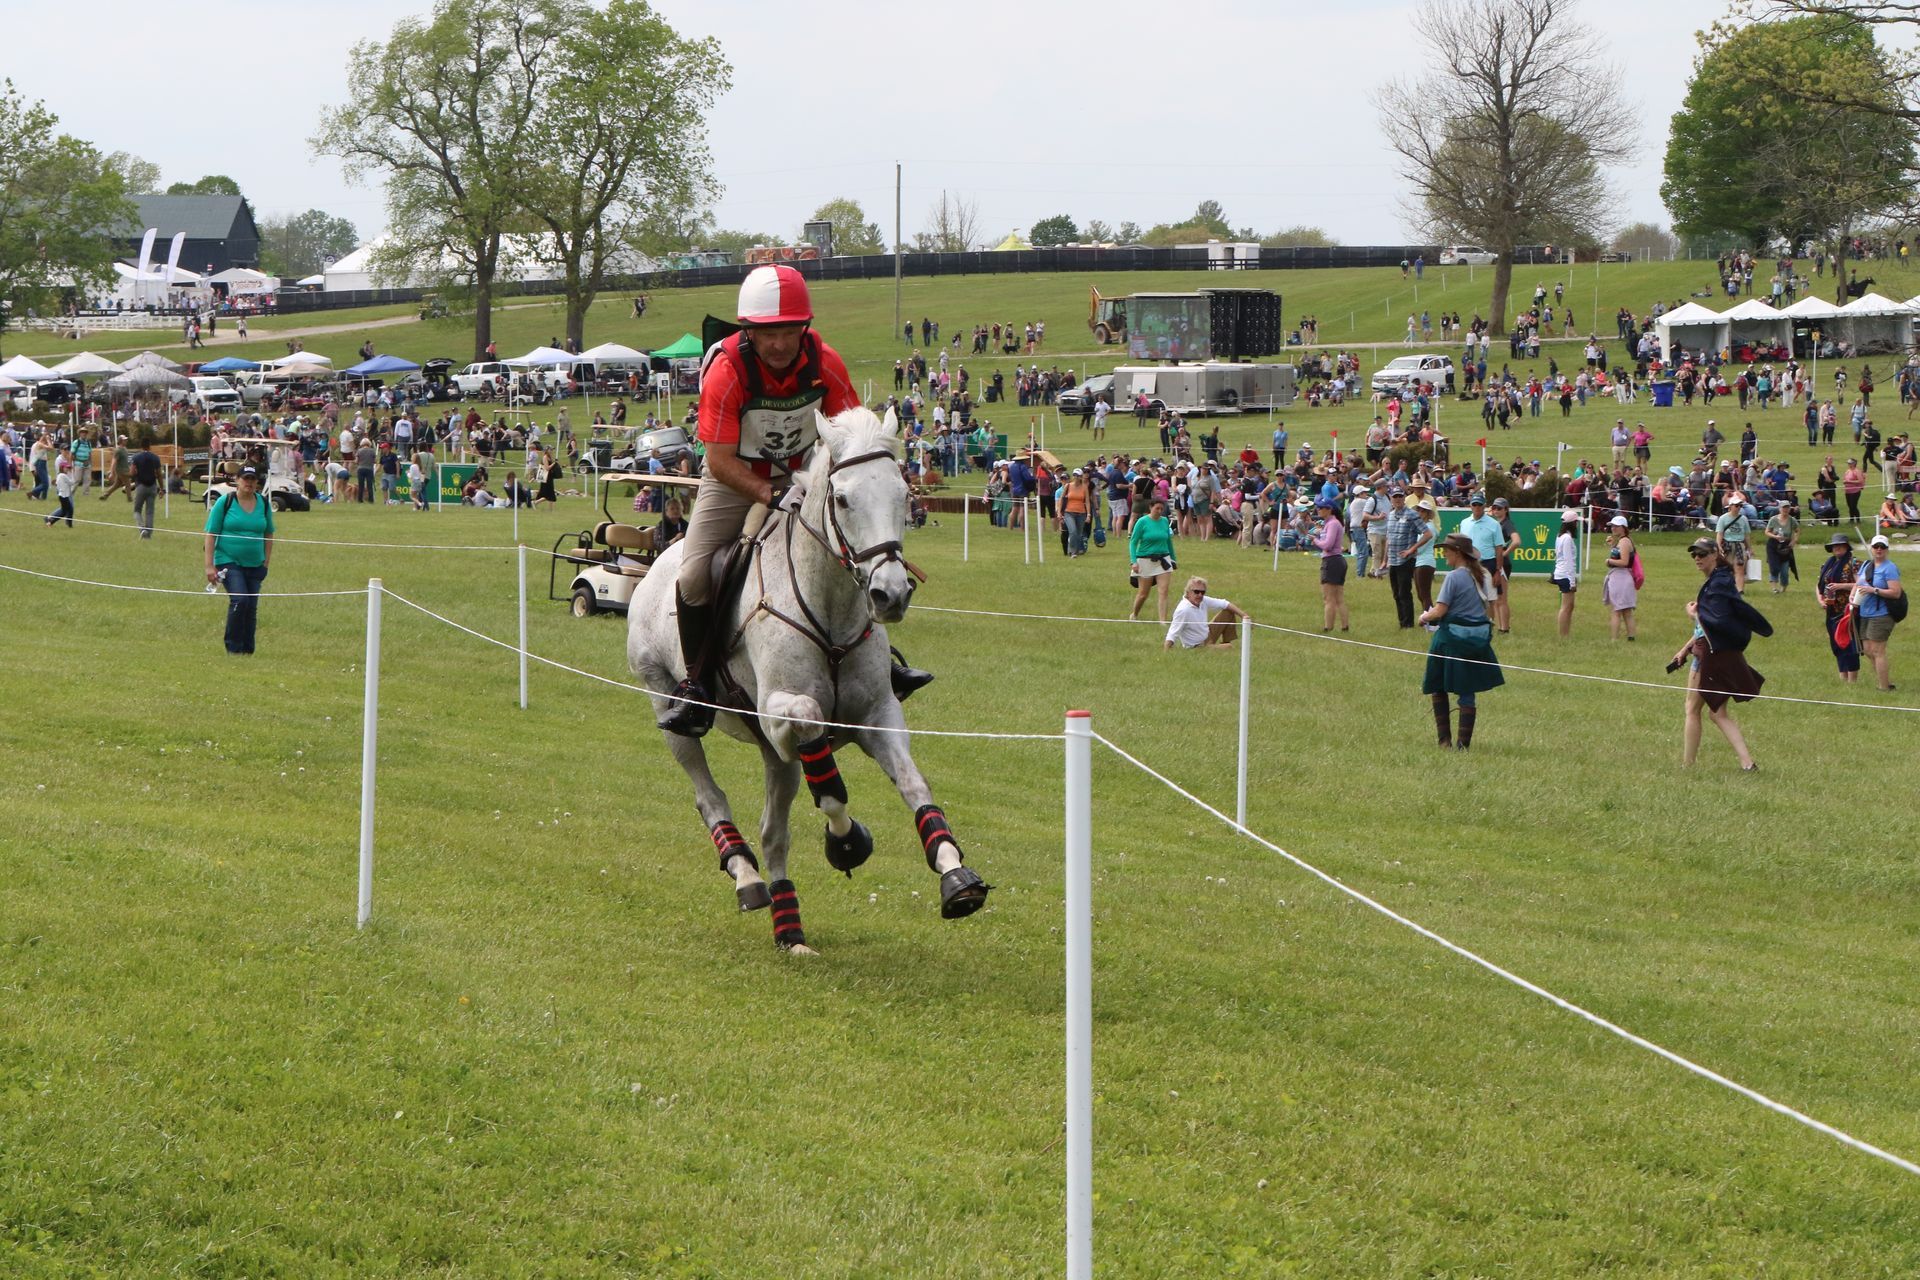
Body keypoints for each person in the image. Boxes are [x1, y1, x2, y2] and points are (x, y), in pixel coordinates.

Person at [660, 265, 925, 737]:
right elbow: (718, 461)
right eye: (768, 334)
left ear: (804, 328)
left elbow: (852, 440)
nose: (780, 344)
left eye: (789, 331)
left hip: (804, 474)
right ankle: (697, 687)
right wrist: (769, 492)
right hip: (732, 479)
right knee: (694, 574)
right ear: (748, 331)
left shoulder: (826, 364)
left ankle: (883, 670)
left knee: (858, 553)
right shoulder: (726, 371)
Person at [1672, 539, 1770, 769]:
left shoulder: (1718, 584)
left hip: (1709, 654)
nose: (1697, 558)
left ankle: (1688, 765)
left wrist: (1693, 615)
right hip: (1719, 650)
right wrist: (1685, 648)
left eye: (1702, 553)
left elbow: (1715, 622)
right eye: (1694, 554)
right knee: (1717, 713)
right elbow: (1712, 622)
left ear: (1715, 554)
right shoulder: (1721, 580)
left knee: (1692, 709)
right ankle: (1747, 763)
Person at [1417, 534, 1504, 749]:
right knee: (1467, 691)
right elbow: (1489, 608)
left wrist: (1424, 617)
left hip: (1451, 640)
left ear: (1457, 552)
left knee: (1438, 685)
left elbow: (1441, 610)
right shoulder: (1482, 574)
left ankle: (1444, 741)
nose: (1444, 553)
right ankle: (1463, 745)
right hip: (1477, 640)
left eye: (1446, 550)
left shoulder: (1454, 577)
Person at [203, 466, 276, 655]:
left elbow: (269, 533)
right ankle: (233, 648)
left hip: (255, 563)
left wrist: (266, 562)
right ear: (237, 479)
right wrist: (209, 566)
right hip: (228, 560)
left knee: (251, 607)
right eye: (246, 478)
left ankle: (247, 649)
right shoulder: (224, 502)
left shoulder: (264, 504)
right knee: (240, 600)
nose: (249, 482)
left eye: (253, 478)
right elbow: (211, 534)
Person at [1854, 534, 1903, 691]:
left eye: (1882, 547)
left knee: (1877, 650)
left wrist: (1874, 590)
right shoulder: (1866, 565)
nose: (1879, 550)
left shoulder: (1890, 568)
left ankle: (1884, 687)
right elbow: (1858, 584)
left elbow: (1896, 592)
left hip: (1882, 614)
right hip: (1864, 612)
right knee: (1867, 650)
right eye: (1876, 547)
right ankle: (1884, 680)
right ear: (1872, 548)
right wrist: (1852, 595)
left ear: (1887, 549)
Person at [1816, 531, 1861, 682]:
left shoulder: (1854, 563)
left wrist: (1841, 586)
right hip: (1831, 610)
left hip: (1848, 610)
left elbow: (1861, 585)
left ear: (1846, 547)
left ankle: (1852, 680)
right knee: (1836, 645)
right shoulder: (1827, 564)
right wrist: (1821, 600)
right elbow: (1819, 585)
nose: (1837, 548)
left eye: (1840, 546)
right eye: (1835, 546)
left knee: (1849, 645)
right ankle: (1842, 676)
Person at [1384, 486, 1428, 629]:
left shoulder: (1412, 514)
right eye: (1394, 497)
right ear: (1391, 499)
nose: (1397, 499)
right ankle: (1402, 622)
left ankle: (1408, 623)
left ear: (1404, 498)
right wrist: (1385, 560)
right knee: (1396, 593)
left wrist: (1412, 549)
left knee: (1404, 592)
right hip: (1392, 559)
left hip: (1405, 560)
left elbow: (1427, 534)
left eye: (1399, 496)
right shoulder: (1390, 515)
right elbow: (1388, 538)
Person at [1164, 577, 1250, 649]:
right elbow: (1172, 633)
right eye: (1196, 592)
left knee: (1228, 612)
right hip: (1198, 647)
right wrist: (1165, 653)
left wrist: (1244, 616)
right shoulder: (1183, 610)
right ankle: (1222, 646)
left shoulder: (1202, 600)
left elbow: (1225, 603)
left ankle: (1225, 642)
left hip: (1208, 634)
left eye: (1203, 592)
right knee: (1229, 647)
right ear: (1188, 592)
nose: (1200, 595)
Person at [1127, 498, 1176, 622]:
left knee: (1163, 591)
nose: (1159, 511)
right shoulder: (1142, 522)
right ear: (1151, 507)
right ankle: (1135, 614)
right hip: (1145, 560)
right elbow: (1133, 542)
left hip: (1163, 560)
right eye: (1157, 508)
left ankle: (1162, 621)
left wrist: (1173, 559)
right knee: (1143, 594)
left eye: (1161, 509)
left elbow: (1168, 541)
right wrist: (1134, 561)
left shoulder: (1165, 521)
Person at [1314, 496, 1349, 632]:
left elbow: (1327, 545)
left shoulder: (1333, 524)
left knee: (1329, 598)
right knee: (1338, 597)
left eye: (1321, 508)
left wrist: (1315, 541)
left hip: (1332, 561)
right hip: (1337, 560)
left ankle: (1328, 627)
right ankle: (1344, 626)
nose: (1318, 510)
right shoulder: (1331, 523)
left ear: (1329, 510)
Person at [1602, 515, 1639, 640]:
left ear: (1623, 528)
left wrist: (1609, 561)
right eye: (1612, 526)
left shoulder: (1624, 542)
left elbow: (1623, 562)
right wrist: (1612, 546)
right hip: (1622, 577)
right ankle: (1631, 637)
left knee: (1617, 611)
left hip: (1621, 577)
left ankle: (1614, 639)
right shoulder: (1624, 541)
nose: (1613, 528)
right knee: (1626, 611)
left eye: (1616, 526)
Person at [1714, 491, 1752, 592]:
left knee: (1740, 568)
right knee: (1726, 568)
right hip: (1727, 545)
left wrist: (1749, 548)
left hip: (1740, 545)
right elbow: (1720, 533)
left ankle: (1740, 590)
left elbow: (1746, 535)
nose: (1738, 507)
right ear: (1730, 506)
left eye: (1740, 505)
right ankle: (1727, 588)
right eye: (1736, 505)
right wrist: (1719, 546)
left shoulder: (1743, 519)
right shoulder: (1723, 518)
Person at [1551, 510, 1580, 637]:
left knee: (1569, 606)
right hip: (1565, 575)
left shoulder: (1560, 536)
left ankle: (1565, 634)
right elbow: (1568, 560)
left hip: (1561, 573)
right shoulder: (1567, 538)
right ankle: (1563, 635)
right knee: (1566, 607)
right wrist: (1572, 581)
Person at [1764, 502, 1799, 593]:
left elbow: (1797, 531)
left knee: (1784, 570)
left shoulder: (1792, 520)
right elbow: (1767, 531)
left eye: (1787, 508)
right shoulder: (1773, 519)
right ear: (1779, 509)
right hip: (1773, 545)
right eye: (1784, 508)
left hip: (1786, 546)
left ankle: (1783, 587)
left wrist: (1794, 541)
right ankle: (1774, 588)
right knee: (1774, 566)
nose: (1786, 510)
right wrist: (1775, 536)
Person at [130, 444, 162, 538]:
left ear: (141, 446)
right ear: (150, 446)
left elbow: (132, 472)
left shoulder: (136, 457)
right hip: (152, 487)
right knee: (150, 511)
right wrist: (162, 488)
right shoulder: (155, 458)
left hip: (140, 486)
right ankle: (149, 533)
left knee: (137, 510)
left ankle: (142, 528)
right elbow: (159, 474)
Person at [42, 456, 76, 528]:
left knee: (64, 512)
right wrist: (73, 473)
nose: (67, 469)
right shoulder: (63, 475)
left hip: (62, 495)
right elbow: (72, 482)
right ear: (62, 468)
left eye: (68, 468)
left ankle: (50, 522)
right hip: (64, 496)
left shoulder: (60, 475)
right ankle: (69, 525)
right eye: (66, 468)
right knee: (70, 510)